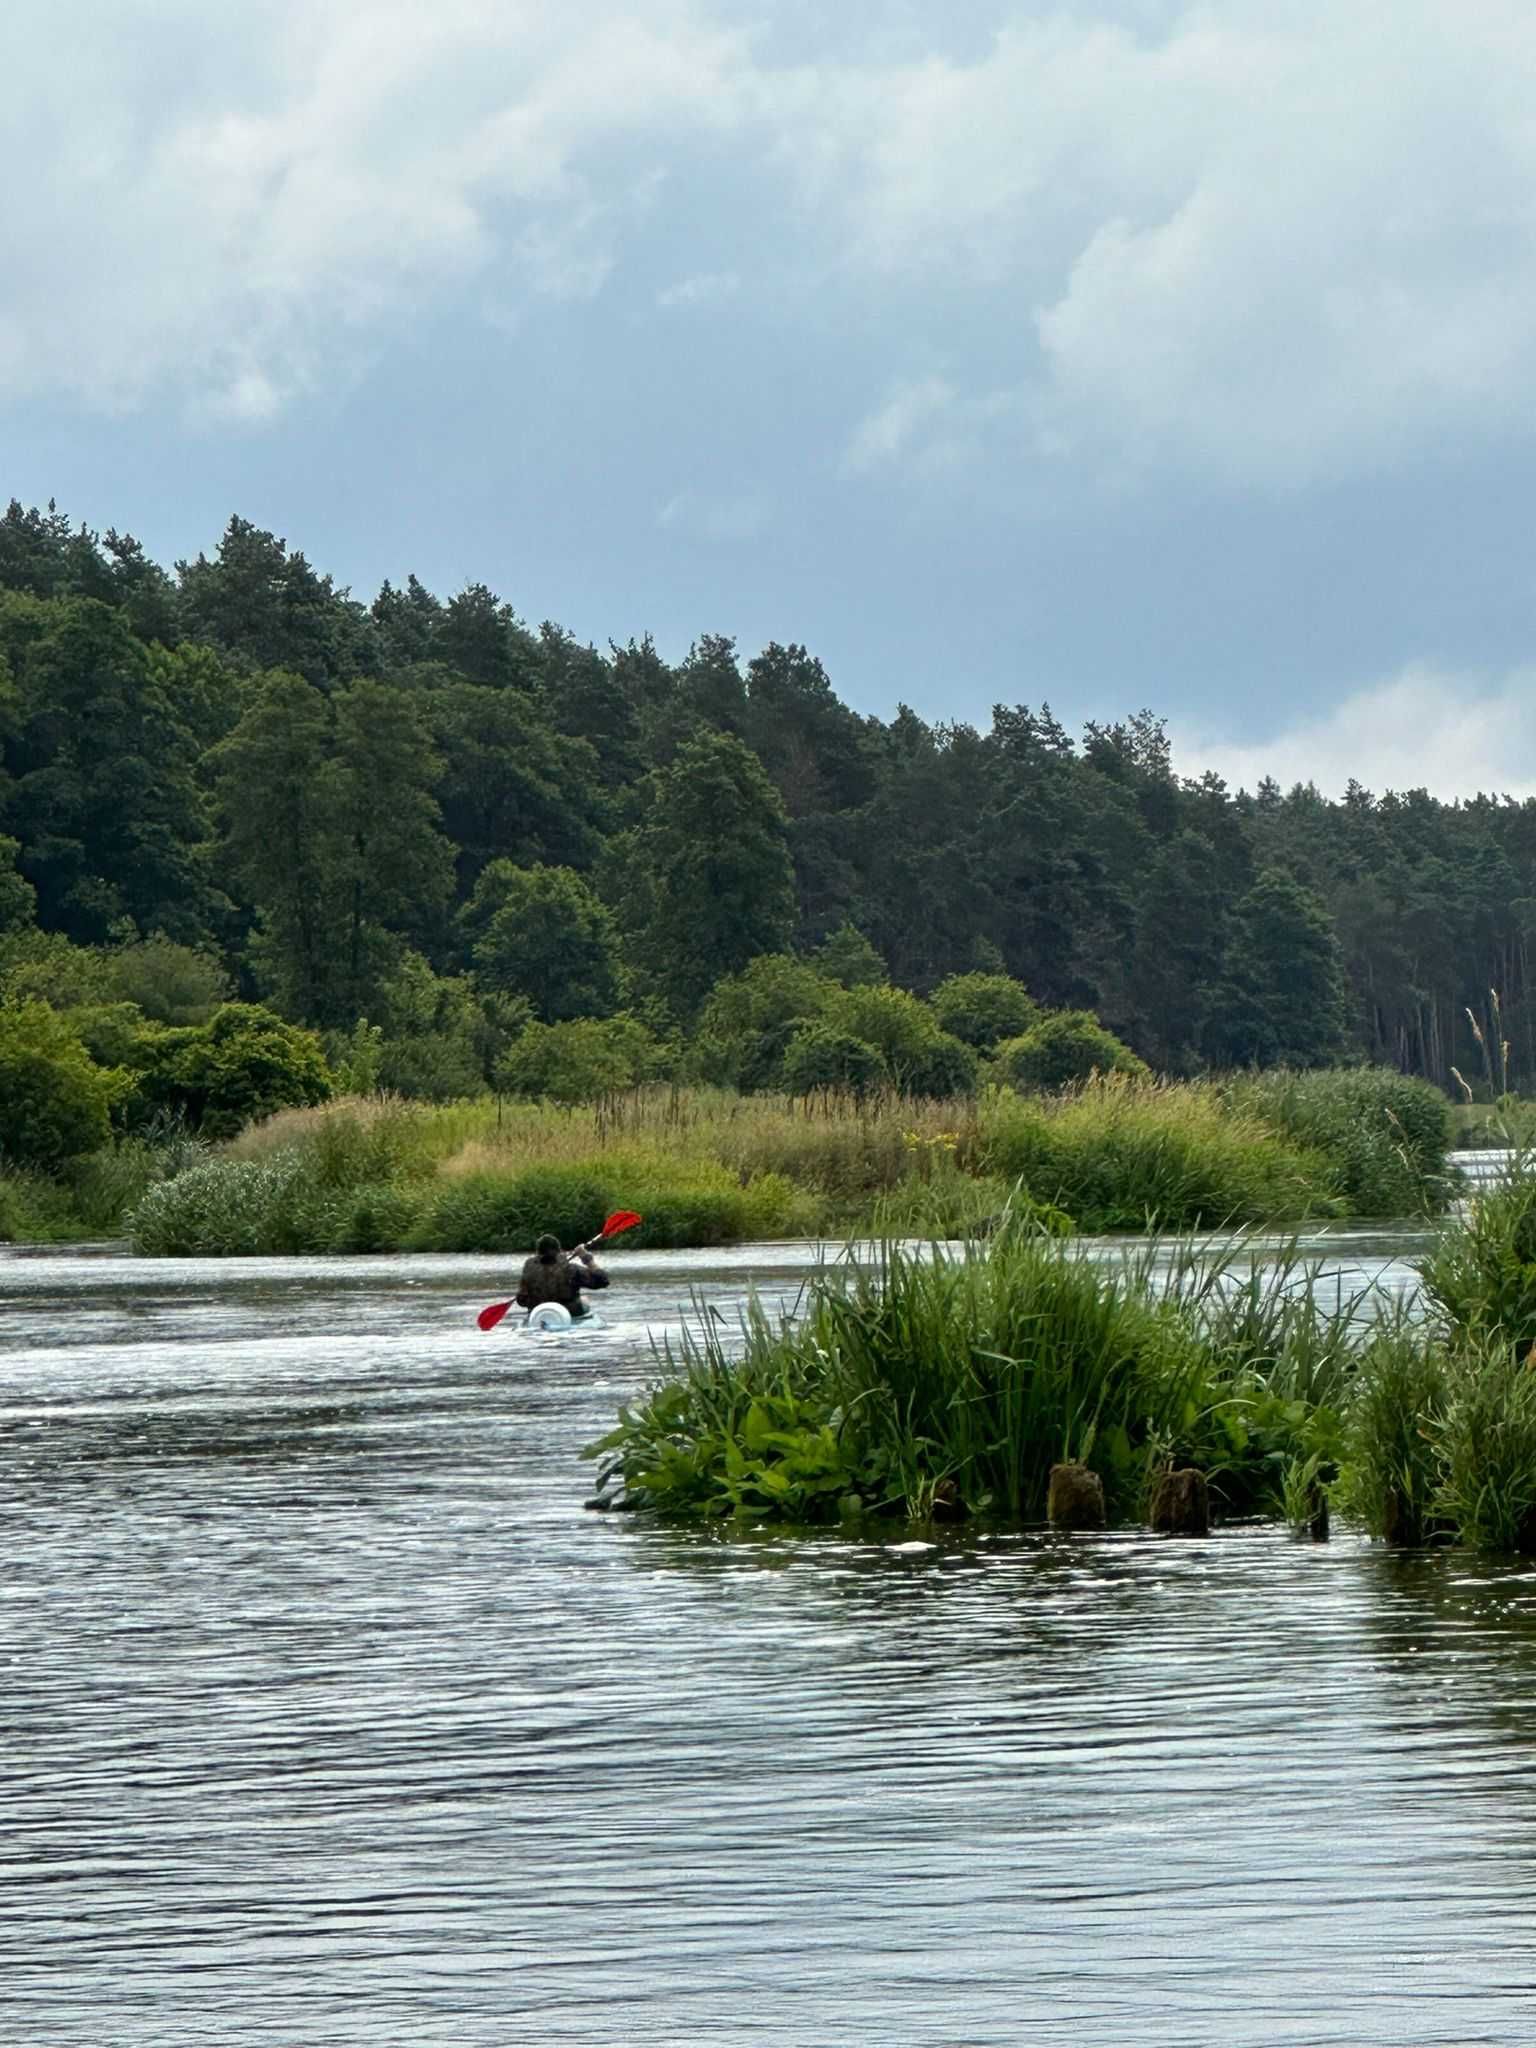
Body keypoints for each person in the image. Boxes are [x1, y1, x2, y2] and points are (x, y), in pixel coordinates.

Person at [515, 1233, 610, 1320]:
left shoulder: (529, 1268)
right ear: (558, 1250)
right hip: (568, 1313)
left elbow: (521, 1301)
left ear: (538, 1252)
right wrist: (586, 1258)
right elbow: (603, 1280)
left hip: (537, 1314)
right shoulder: (571, 1269)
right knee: (585, 1300)